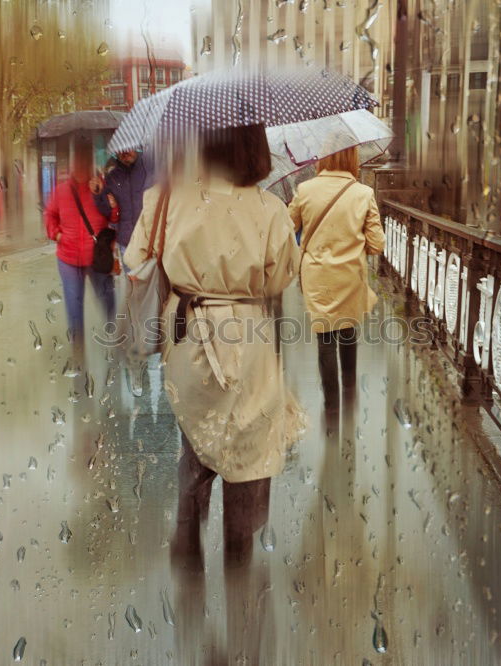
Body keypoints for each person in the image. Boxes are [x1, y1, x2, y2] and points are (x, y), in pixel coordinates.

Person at [123, 125, 302, 574]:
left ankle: (187, 544)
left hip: (186, 333)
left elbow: (135, 261)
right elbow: (281, 278)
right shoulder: (271, 209)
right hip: (250, 338)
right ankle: (240, 562)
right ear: (255, 148)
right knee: (250, 439)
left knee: (196, 438)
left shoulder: (166, 199)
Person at [288, 146, 385, 416]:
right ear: (353, 158)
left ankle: (331, 406)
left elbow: (287, 229)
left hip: (316, 275)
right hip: (350, 276)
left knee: (325, 340)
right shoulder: (364, 193)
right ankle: (350, 394)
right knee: (348, 332)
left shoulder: (305, 190)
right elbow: (377, 245)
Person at [43, 137, 117, 349]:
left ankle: (115, 340)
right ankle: (78, 351)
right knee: (74, 309)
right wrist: (57, 235)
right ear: (72, 162)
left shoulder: (102, 187)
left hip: (97, 258)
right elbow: (50, 216)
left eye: (85, 160)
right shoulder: (61, 190)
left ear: (91, 161)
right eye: (77, 160)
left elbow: (114, 217)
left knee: (107, 301)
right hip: (68, 259)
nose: (81, 165)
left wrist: (103, 195)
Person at [97, 150, 152, 272]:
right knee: (132, 283)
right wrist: (99, 194)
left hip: (150, 241)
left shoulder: (149, 171)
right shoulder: (112, 178)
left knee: (151, 284)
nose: (125, 152)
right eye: (120, 150)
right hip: (126, 243)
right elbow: (105, 211)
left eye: (128, 148)